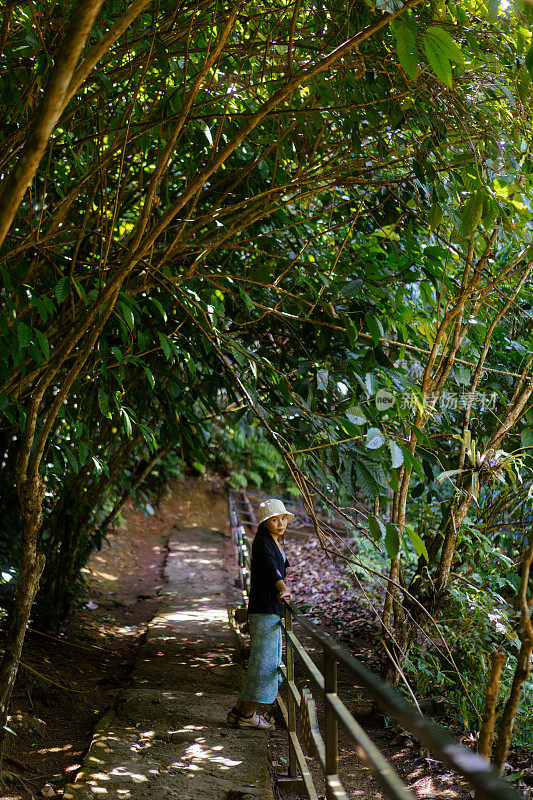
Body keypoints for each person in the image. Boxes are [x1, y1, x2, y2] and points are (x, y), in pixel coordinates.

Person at [227, 498, 293, 730]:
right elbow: (269, 568)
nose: (280, 523)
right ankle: (247, 715)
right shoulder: (264, 543)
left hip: (265, 609)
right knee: (264, 665)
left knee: (263, 663)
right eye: (274, 520)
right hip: (265, 610)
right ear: (265, 523)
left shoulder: (271, 540)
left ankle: (240, 712)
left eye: (283, 518)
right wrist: (282, 589)